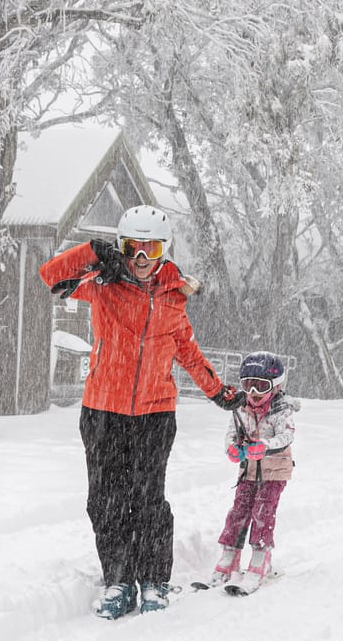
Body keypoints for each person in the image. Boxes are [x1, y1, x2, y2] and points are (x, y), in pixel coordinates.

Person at [39, 205, 241, 620]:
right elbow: (51, 277)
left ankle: (152, 580)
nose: (141, 259)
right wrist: (93, 254)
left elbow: (186, 350)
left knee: (148, 499)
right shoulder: (101, 284)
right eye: (132, 247)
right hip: (102, 411)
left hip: (154, 414)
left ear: (164, 250)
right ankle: (118, 579)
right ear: (121, 247)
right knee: (106, 500)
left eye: (151, 248)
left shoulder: (173, 294)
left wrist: (217, 391)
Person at [201, 351, 298, 594]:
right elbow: (231, 434)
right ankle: (229, 557)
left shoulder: (281, 409)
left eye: (260, 386)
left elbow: (286, 435)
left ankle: (260, 559)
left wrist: (265, 446)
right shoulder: (240, 408)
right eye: (248, 385)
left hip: (274, 472)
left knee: (263, 510)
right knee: (238, 511)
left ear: (275, 387)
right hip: (248, 472)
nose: (253, 393)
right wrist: (232, 448)